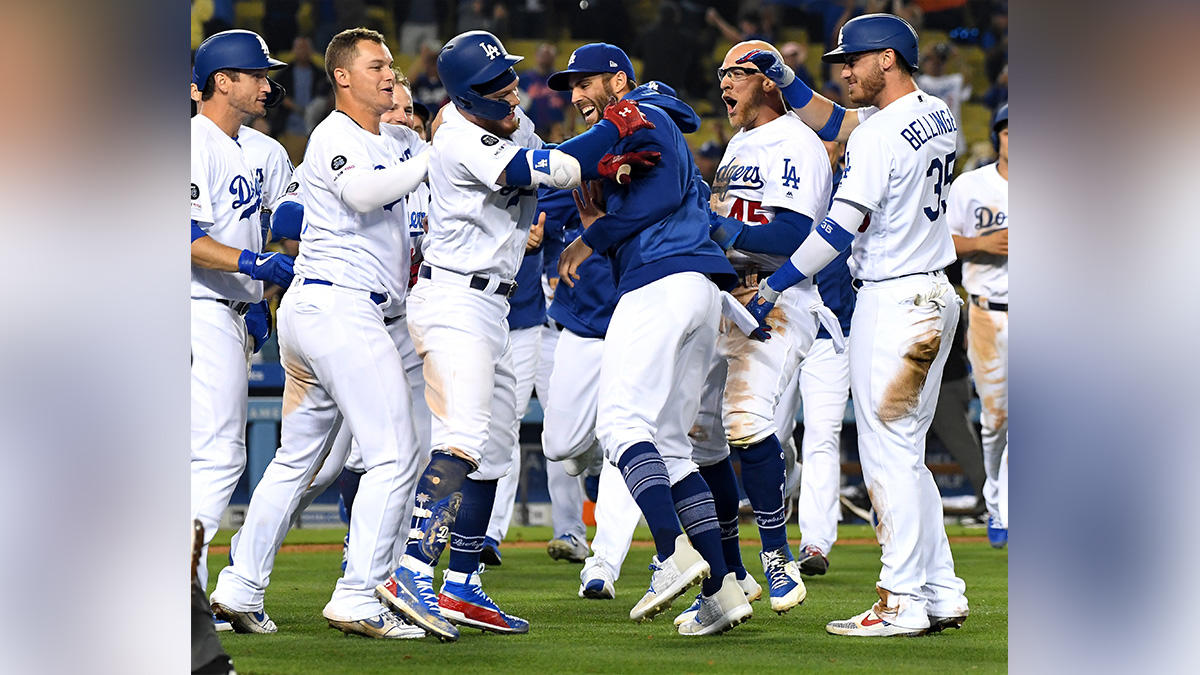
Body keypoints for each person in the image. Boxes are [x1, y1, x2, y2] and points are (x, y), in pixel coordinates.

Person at [375, 31, 656, 641]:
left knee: (495, 454)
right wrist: (619, 127)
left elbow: (559, 164)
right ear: (463, 97)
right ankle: (411, 571)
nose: (510, 90)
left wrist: (608, 163)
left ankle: (462, 583)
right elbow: (545, 168)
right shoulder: (456, 136)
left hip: (497, 305)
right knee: (463, 438)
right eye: (495, 84)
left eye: (508, 76)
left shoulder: (512, 120)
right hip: (453, 298)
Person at [740, 13, 971, 637]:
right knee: (907, 454)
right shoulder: (935, 113)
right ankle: (942, 591)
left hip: (894, 299)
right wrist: (787, 81)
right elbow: (839, 122)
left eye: (853, 60)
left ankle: (900, 600)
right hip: (935, 294)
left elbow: (837, 230)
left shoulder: (877, 135)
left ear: (887, 59)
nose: (843, 71)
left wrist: (776, 283)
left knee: (887, 454)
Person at [210, 27, 431, 640]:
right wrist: (432, 157)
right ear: (342, 76)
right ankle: (359, 595)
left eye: (390, 65)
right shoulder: (334, 134)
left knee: (298, 461)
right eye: (375, 66)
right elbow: (360, 193)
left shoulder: (393, 138)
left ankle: (239, 586)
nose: (388, 75)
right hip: (339, 309)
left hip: (327, 314)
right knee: (394, 454)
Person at [550, 43, 753, 636]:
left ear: (618, 80)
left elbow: (657, 194)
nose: (576, 95)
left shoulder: (644, 113)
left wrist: (594, 235)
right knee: (672, 448)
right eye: (570, 86)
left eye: (585, 82)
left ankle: (670, 553)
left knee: (620, 425)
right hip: (694, 287)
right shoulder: (642, 126)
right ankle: (721, 591)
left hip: (660, 283)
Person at [690, 39, 838, 617]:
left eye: (738, 73)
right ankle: (731, 569)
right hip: (727, 294)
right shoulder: (739, 143)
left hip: (778, 296)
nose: (725, 82)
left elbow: (795, 236)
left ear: (770, 81)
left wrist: (721, 230)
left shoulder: (796, 142)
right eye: (721, 72)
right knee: (702, 437)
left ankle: (777, 556)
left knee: (749, 423)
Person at [189, 29, 294, 599]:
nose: (265, 84)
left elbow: (277, 226)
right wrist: (252, 265)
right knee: (219, 453)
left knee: (202, 452)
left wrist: (255, 298)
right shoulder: (194, 142)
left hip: (226, 310)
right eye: (255, 74)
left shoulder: (250, 148)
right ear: (222, 81)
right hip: (195, 306)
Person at [772, 138, 856, 578]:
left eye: (828, 137)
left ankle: (816, 541)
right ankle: (790, 476)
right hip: (784, 322)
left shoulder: (857, 186)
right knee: (770, 433)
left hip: (834, 329)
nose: (822, 145)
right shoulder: (777, 181)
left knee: (824, 433)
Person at [947, 103, 1008, 548]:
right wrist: (982, 243)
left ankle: (1008, 507)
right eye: (1007, 130)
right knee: (995, 419)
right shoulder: (971, 185)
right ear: (996, 136)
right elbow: (940, 242)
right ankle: (995, 499)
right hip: (987, 311)